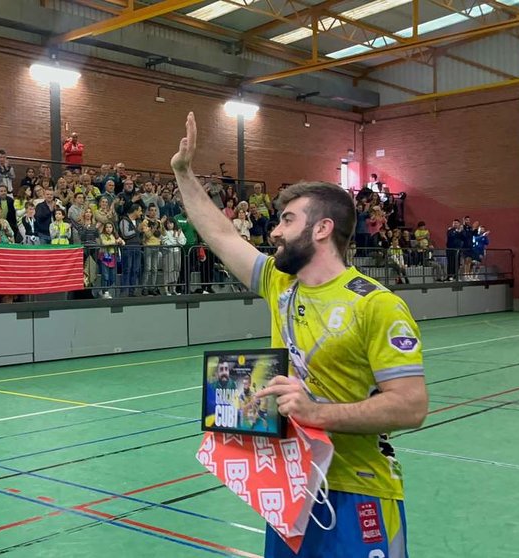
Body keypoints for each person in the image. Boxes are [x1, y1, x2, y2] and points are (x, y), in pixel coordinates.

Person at [170, 112, 427, 558]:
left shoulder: (376, 304)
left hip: (358, 492)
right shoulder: (278, 282)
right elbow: (220, 234)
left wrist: (315, 412)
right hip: (291, 494)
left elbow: (411, 405)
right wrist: (183, 173)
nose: (275, 231)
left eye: (287, 220)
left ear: (322, 229)